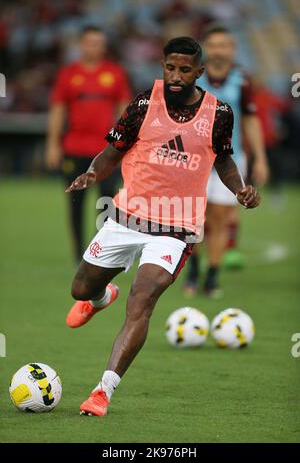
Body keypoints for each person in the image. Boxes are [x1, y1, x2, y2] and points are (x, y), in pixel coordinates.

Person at [64, 37, 260, 417]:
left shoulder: (219, 112)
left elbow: (223, 160)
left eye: (185, 69)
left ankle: (102, 391)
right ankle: (102, 297)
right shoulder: (142, 104)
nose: (175, 76)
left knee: (143, 298)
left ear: (199, 72)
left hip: (177, 225)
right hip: (126, 216)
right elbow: (112, 151)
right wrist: (91, 173)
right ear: (162, 65)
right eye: (170, 67)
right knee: (80, 288)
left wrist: (240, 190)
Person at [184, 25, 268, 298]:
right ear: (205, 48)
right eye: (214, 44)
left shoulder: (241, 80)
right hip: (193, 159)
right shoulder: (192, 77)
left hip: (230, 159)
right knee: (193, 218)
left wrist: (260, 158)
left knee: (219, 218)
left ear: (233, 49)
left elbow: (251, 119)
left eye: (225, 45)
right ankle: (193, 268)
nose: (219, 50)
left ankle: (212, 275)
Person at [46, 26, 131, 262]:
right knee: (75, 202)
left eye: (98, 42)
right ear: (81, 44)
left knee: (106, 203)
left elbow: (125, 111)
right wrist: (53, 144)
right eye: (90, 42)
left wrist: (125, 144)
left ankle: (99, 251)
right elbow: (57, 110)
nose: (94, 47)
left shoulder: (115, 73)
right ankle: (78, 254)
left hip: (106, 152)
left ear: (103, 46)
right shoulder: (68, 74)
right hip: (75, 149)